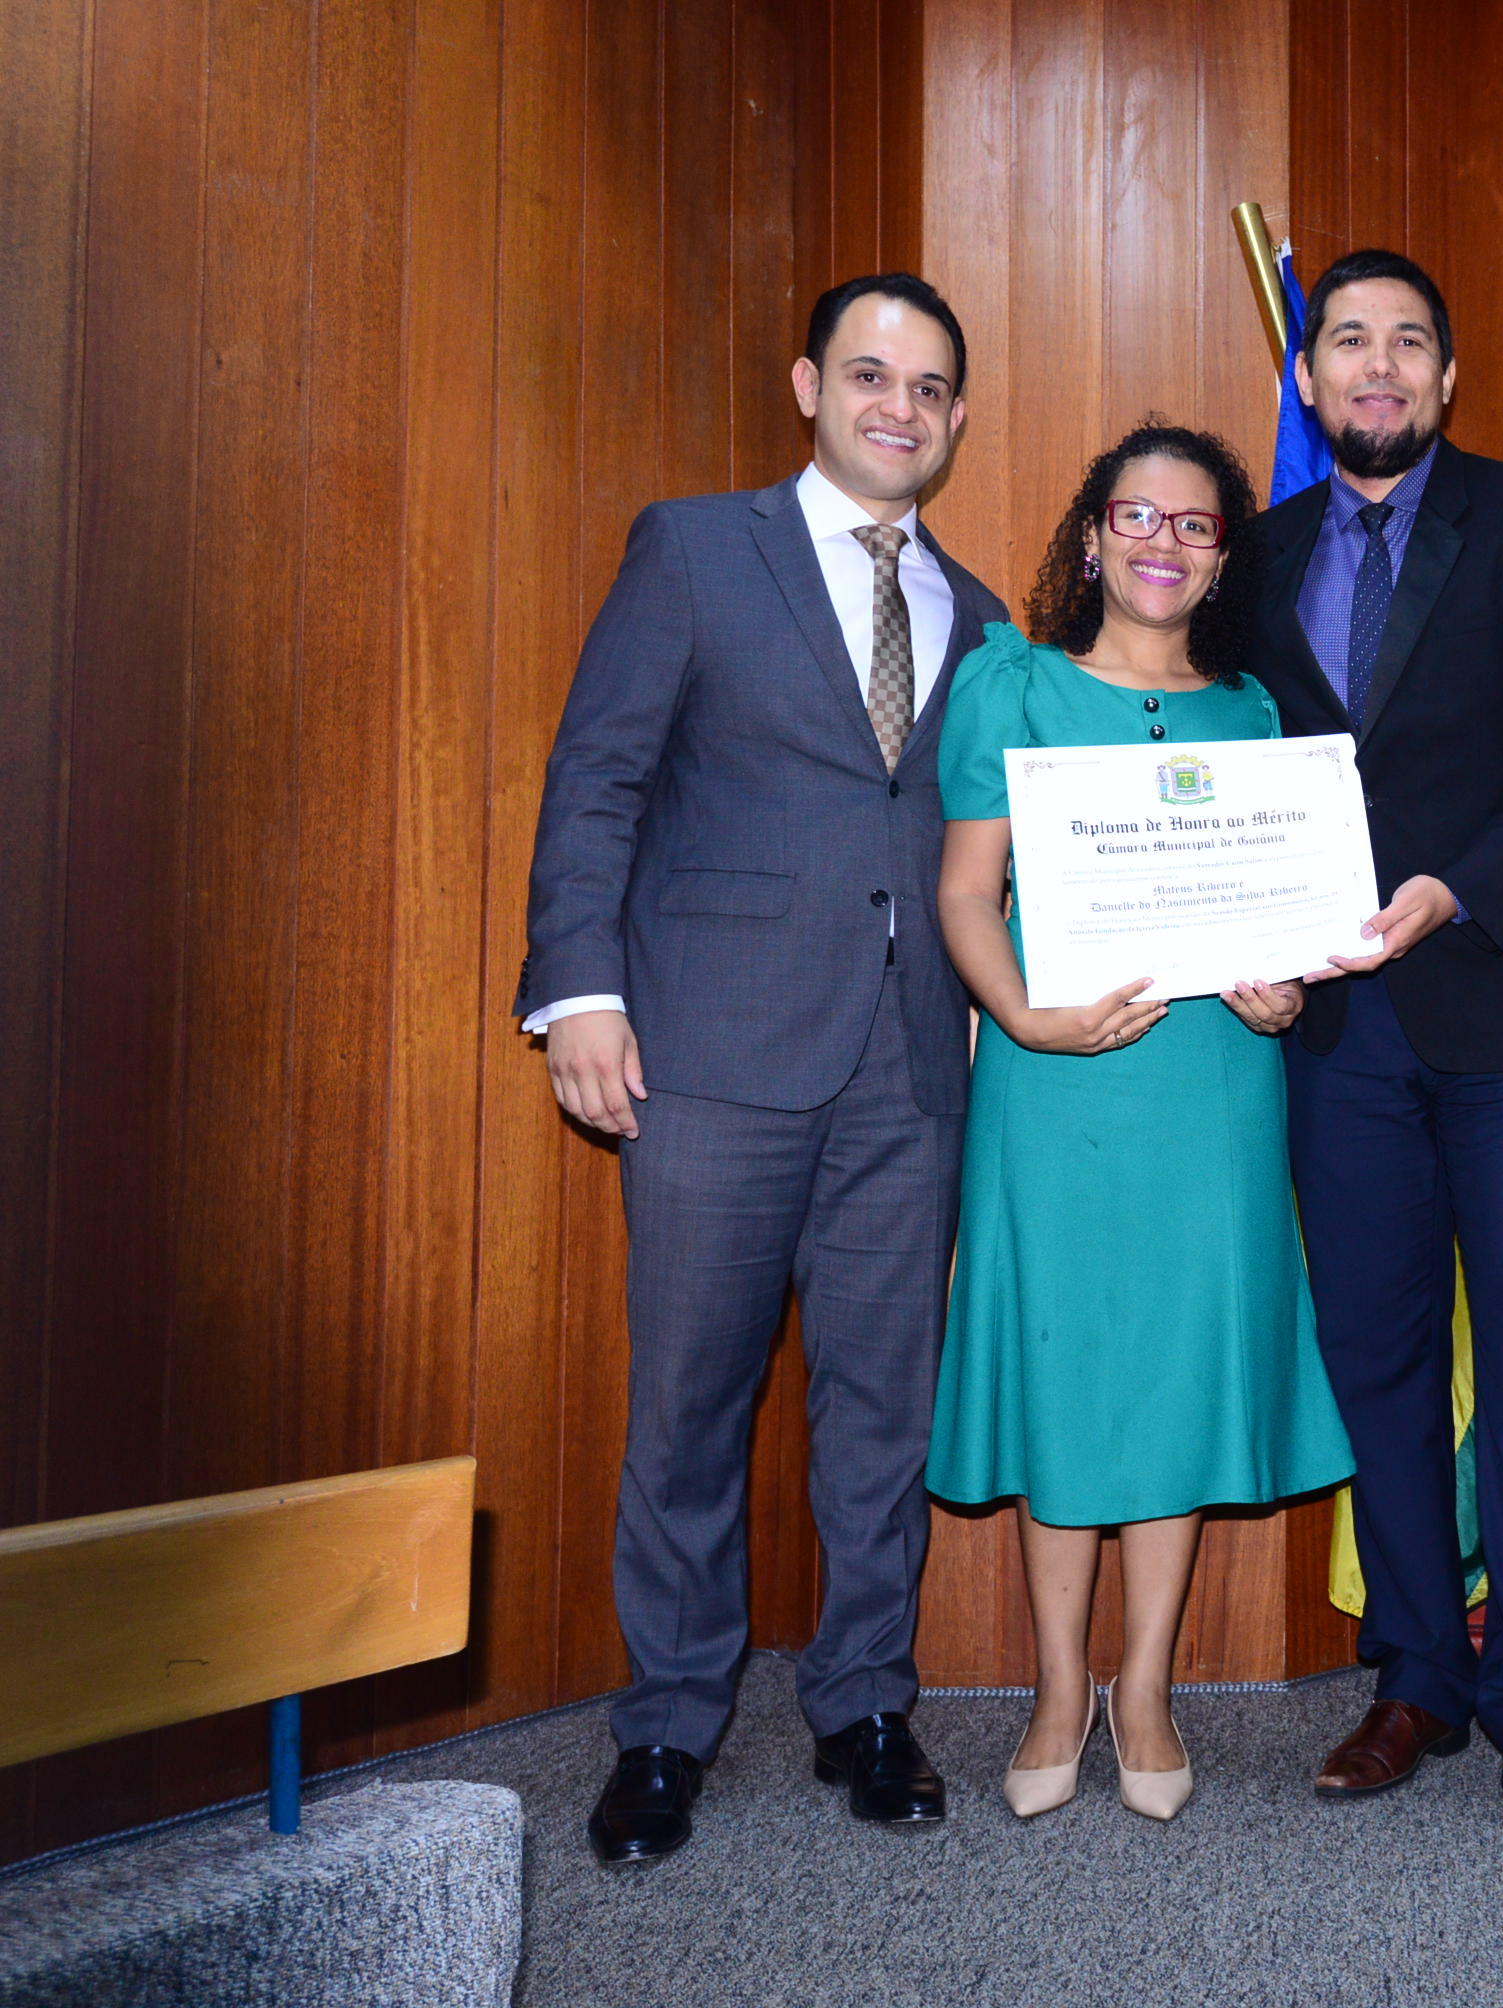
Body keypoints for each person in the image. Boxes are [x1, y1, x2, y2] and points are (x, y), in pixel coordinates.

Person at [518, 273, 1008, 1865]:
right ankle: (666, 1726)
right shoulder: (692, 548)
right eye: (869, 375)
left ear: (954, 418)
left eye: (927, 389)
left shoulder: (983, 617)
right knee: (688, 1406)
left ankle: (865, 1705)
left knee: (882, 1413)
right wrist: (578, 992)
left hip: (909, 1070)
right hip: (708, 1054)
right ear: (809, 385)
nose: (897, 408)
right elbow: (598, 775)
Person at [1245, 249, 1503, 1864]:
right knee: (1379, 1356)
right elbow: (1228, 769)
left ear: (1447, 376)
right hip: (1335, 1029)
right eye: (1349, 340)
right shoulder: (1257, 550)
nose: (1380, 365)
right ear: (1310, 375)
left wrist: (1453, 888)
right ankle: (1417, 1675)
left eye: (1410, 340)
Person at [927, 423, 1355, 1823]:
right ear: (1092, 534)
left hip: (1213, 1087)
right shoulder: (1015, 685)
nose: (1163, 543)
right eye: (1137, 517)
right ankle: (1058, 1689)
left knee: (1175, 1373)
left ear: (1223, 557)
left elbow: (1284, 924)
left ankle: (1148, 1687)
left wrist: (1284, 994)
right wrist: (1022, 1015)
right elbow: (964, 894)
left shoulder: (1256, 716)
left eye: (1195, 525)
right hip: (1053, 1083)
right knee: (1066, 1372)